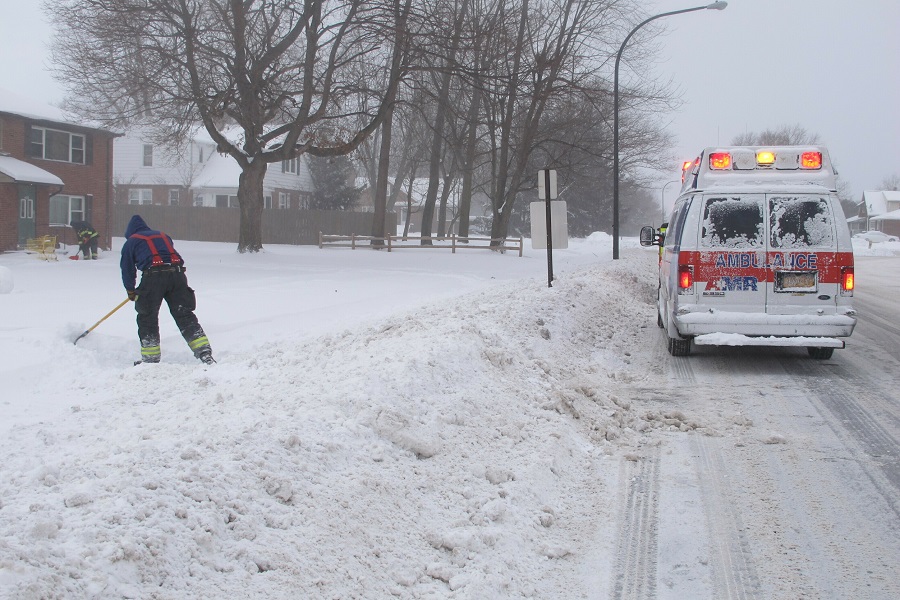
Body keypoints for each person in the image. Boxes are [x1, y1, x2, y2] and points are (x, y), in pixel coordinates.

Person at [120, 215, 215, 365]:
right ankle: (205, 353)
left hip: (153, 278)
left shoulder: (131, 242)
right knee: (184, 314)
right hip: (177, 275)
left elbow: (127, 269)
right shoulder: (163, 236)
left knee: (147, 317)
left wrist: (130, 290)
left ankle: (150, 360)